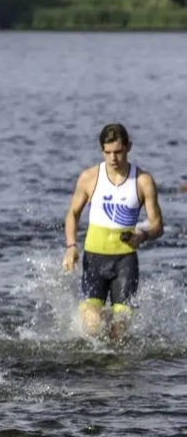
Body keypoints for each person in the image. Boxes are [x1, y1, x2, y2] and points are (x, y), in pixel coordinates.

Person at [63, 123, 163, 340]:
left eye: (118, 152)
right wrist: (71, 246)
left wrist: (142, 236)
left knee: (121, 332)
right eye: (107, 153)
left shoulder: (143, 181)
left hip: (125, 262)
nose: (113, 158)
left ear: (129, 147)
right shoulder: (89, 178)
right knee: (92, 326)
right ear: (101, 151)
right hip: (94, 260)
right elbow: (72, 214)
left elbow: (157, 225)